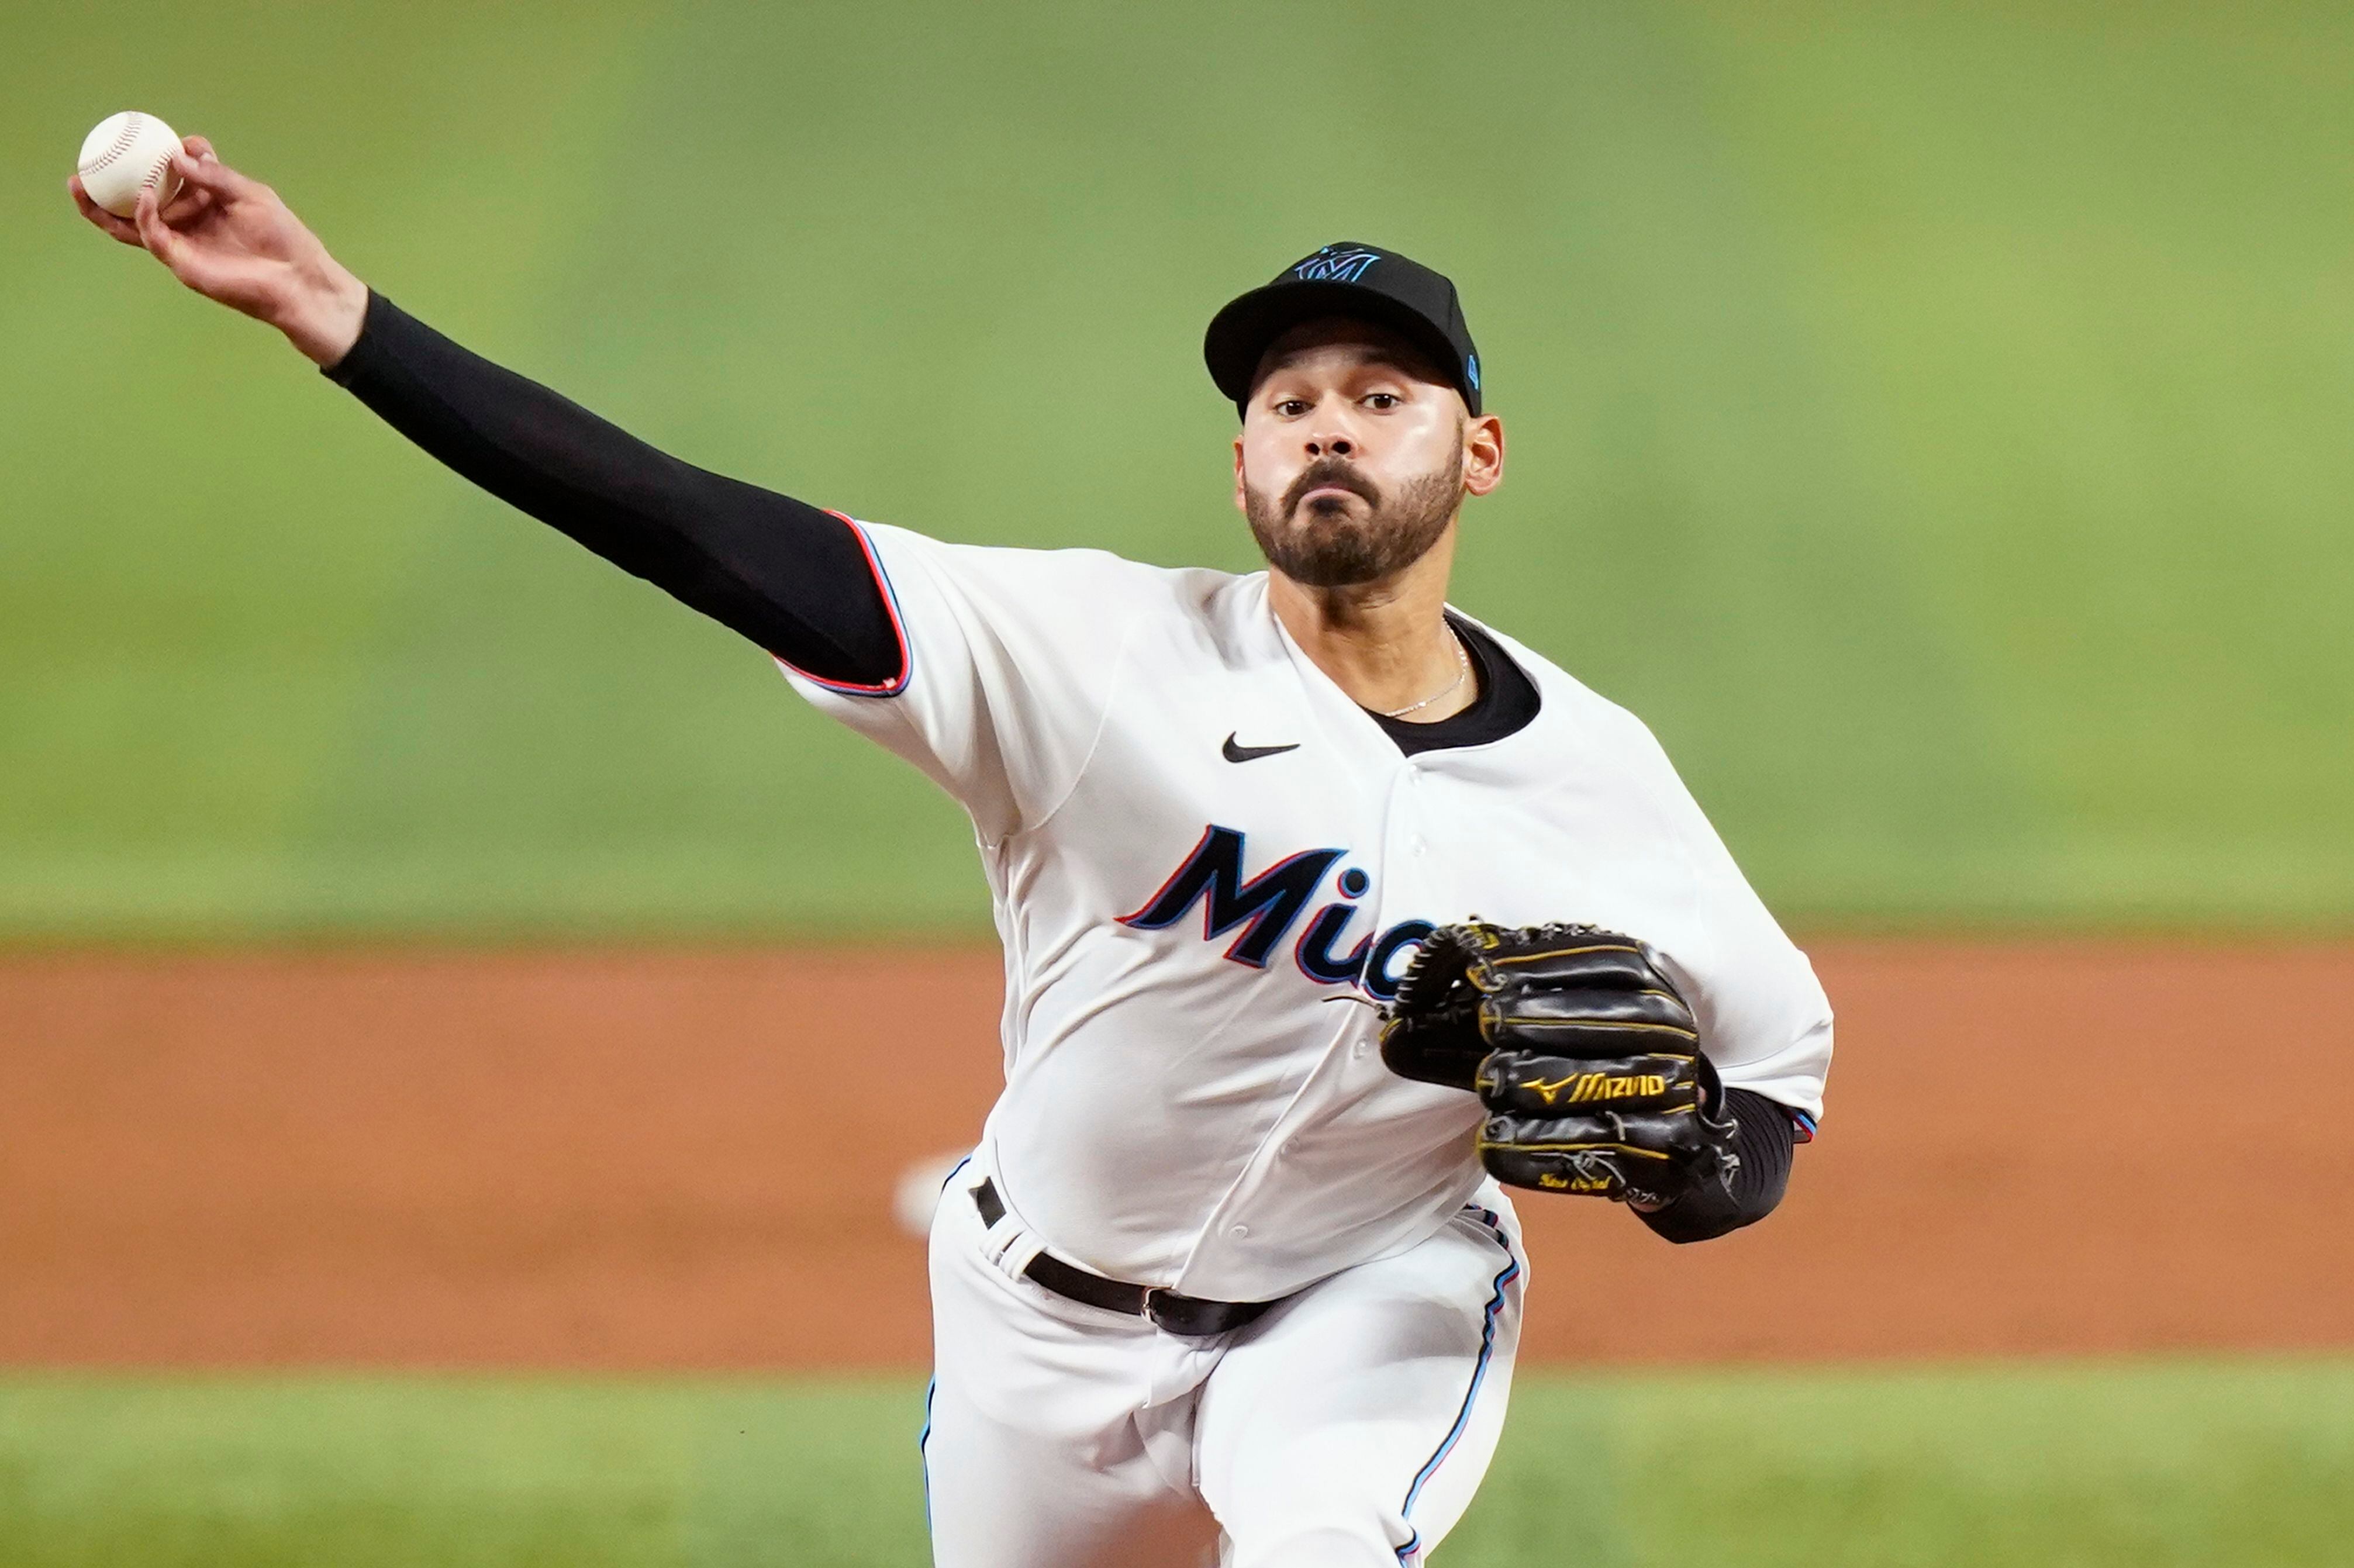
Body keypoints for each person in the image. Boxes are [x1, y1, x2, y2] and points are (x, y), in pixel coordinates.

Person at [75, 142, 1834, 1568]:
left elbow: (1757, 1098)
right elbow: (695, 528)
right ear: (1238, 464)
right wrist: (332, 312)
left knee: (1320, 1544)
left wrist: (1679, 1171)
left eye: (1382, 395)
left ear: (1478, 448)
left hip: (1365, 1301)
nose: (1328, 424)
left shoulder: (1601, 779)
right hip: (1034, 1317)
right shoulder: (1091, 658)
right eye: (1289, 401)